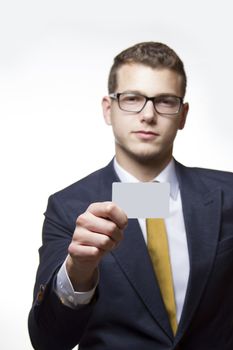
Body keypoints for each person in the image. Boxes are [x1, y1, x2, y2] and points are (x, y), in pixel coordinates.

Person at [28, 42, 233, 350]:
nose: (148, 115)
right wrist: (77, 272)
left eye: (165, 101)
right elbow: (48, 341)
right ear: (108, 110)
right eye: (132, 99)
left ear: (182, 115)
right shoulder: (68, 207)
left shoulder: (228, 193)